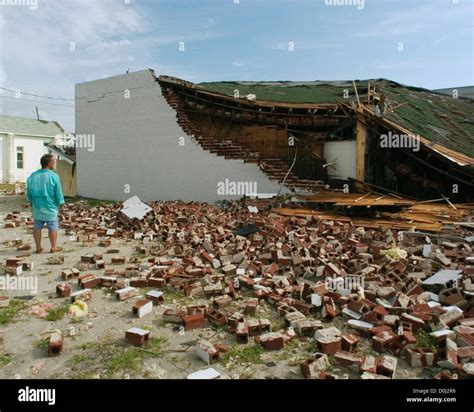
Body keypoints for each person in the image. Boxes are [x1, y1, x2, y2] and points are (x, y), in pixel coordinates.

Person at [26, 154, 65, 253]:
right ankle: (53, 247)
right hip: (50, 206)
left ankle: (38, 247)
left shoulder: (33, 176)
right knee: (52, 226)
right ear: (49, 163)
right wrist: (61, 203)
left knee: (37, 226)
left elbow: (29, 192)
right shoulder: (53, 176)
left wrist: (31, 201)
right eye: (53, 161)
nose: (54, 163)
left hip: (37, 206)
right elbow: (58, 192)